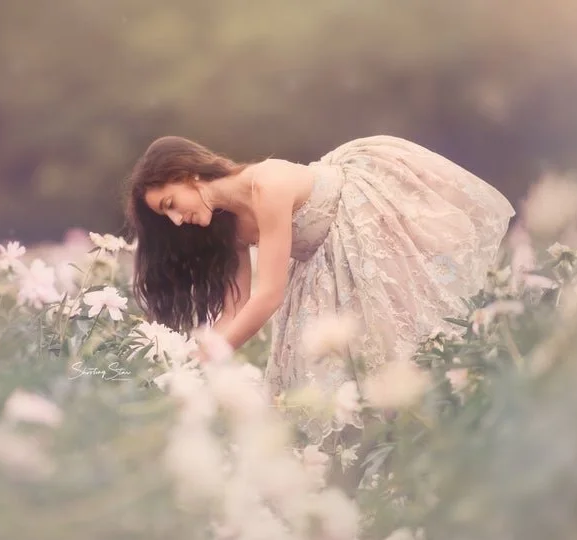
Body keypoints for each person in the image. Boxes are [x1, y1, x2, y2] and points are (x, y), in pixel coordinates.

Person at [124, 134, 515, 440]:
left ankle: (465, 409)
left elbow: (269, 294)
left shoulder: (266, 185)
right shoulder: (226, 225)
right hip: (322, 261)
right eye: (167, 214)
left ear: (188, 175)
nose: (176, 220)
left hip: (363, 225)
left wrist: (208, 359)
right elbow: (235, 306)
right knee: (338, 376)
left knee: (406, 338)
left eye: (171, 204)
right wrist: (191, 360)